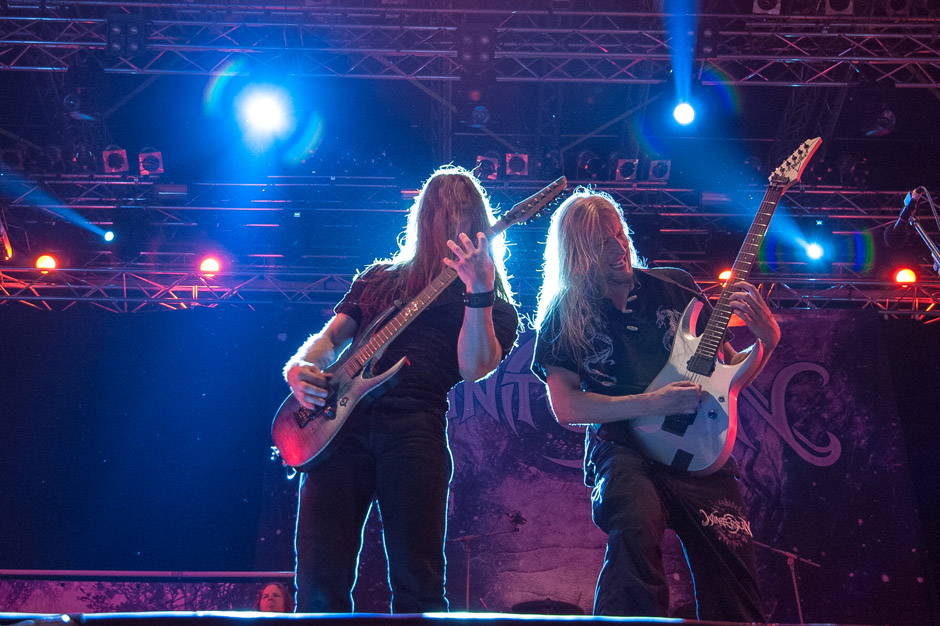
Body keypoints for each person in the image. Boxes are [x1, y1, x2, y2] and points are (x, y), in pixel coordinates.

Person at [530, 188, 779, 621]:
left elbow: (723, 381)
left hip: (700, 447)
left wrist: (768, 341)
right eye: (601, 241)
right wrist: (652, 401)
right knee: (636, 530)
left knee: (734, 578)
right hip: (625, 451)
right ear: (577, 253)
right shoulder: (564, 314)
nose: (618, 247)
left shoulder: (674, 284)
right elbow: (567, 407)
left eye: (619, 234)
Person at [283, 165, 519, 613]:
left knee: (419, 581)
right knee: (318, 581)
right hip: (339, 428)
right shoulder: (381, 277)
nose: (452, 223)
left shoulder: (494, 305)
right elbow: (332, 337)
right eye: (441, 211)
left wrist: (480, 291)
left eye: (463, 212)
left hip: (415, 427)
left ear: (479, 222)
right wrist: (301, 366)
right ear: (423, 217)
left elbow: (475, 367)